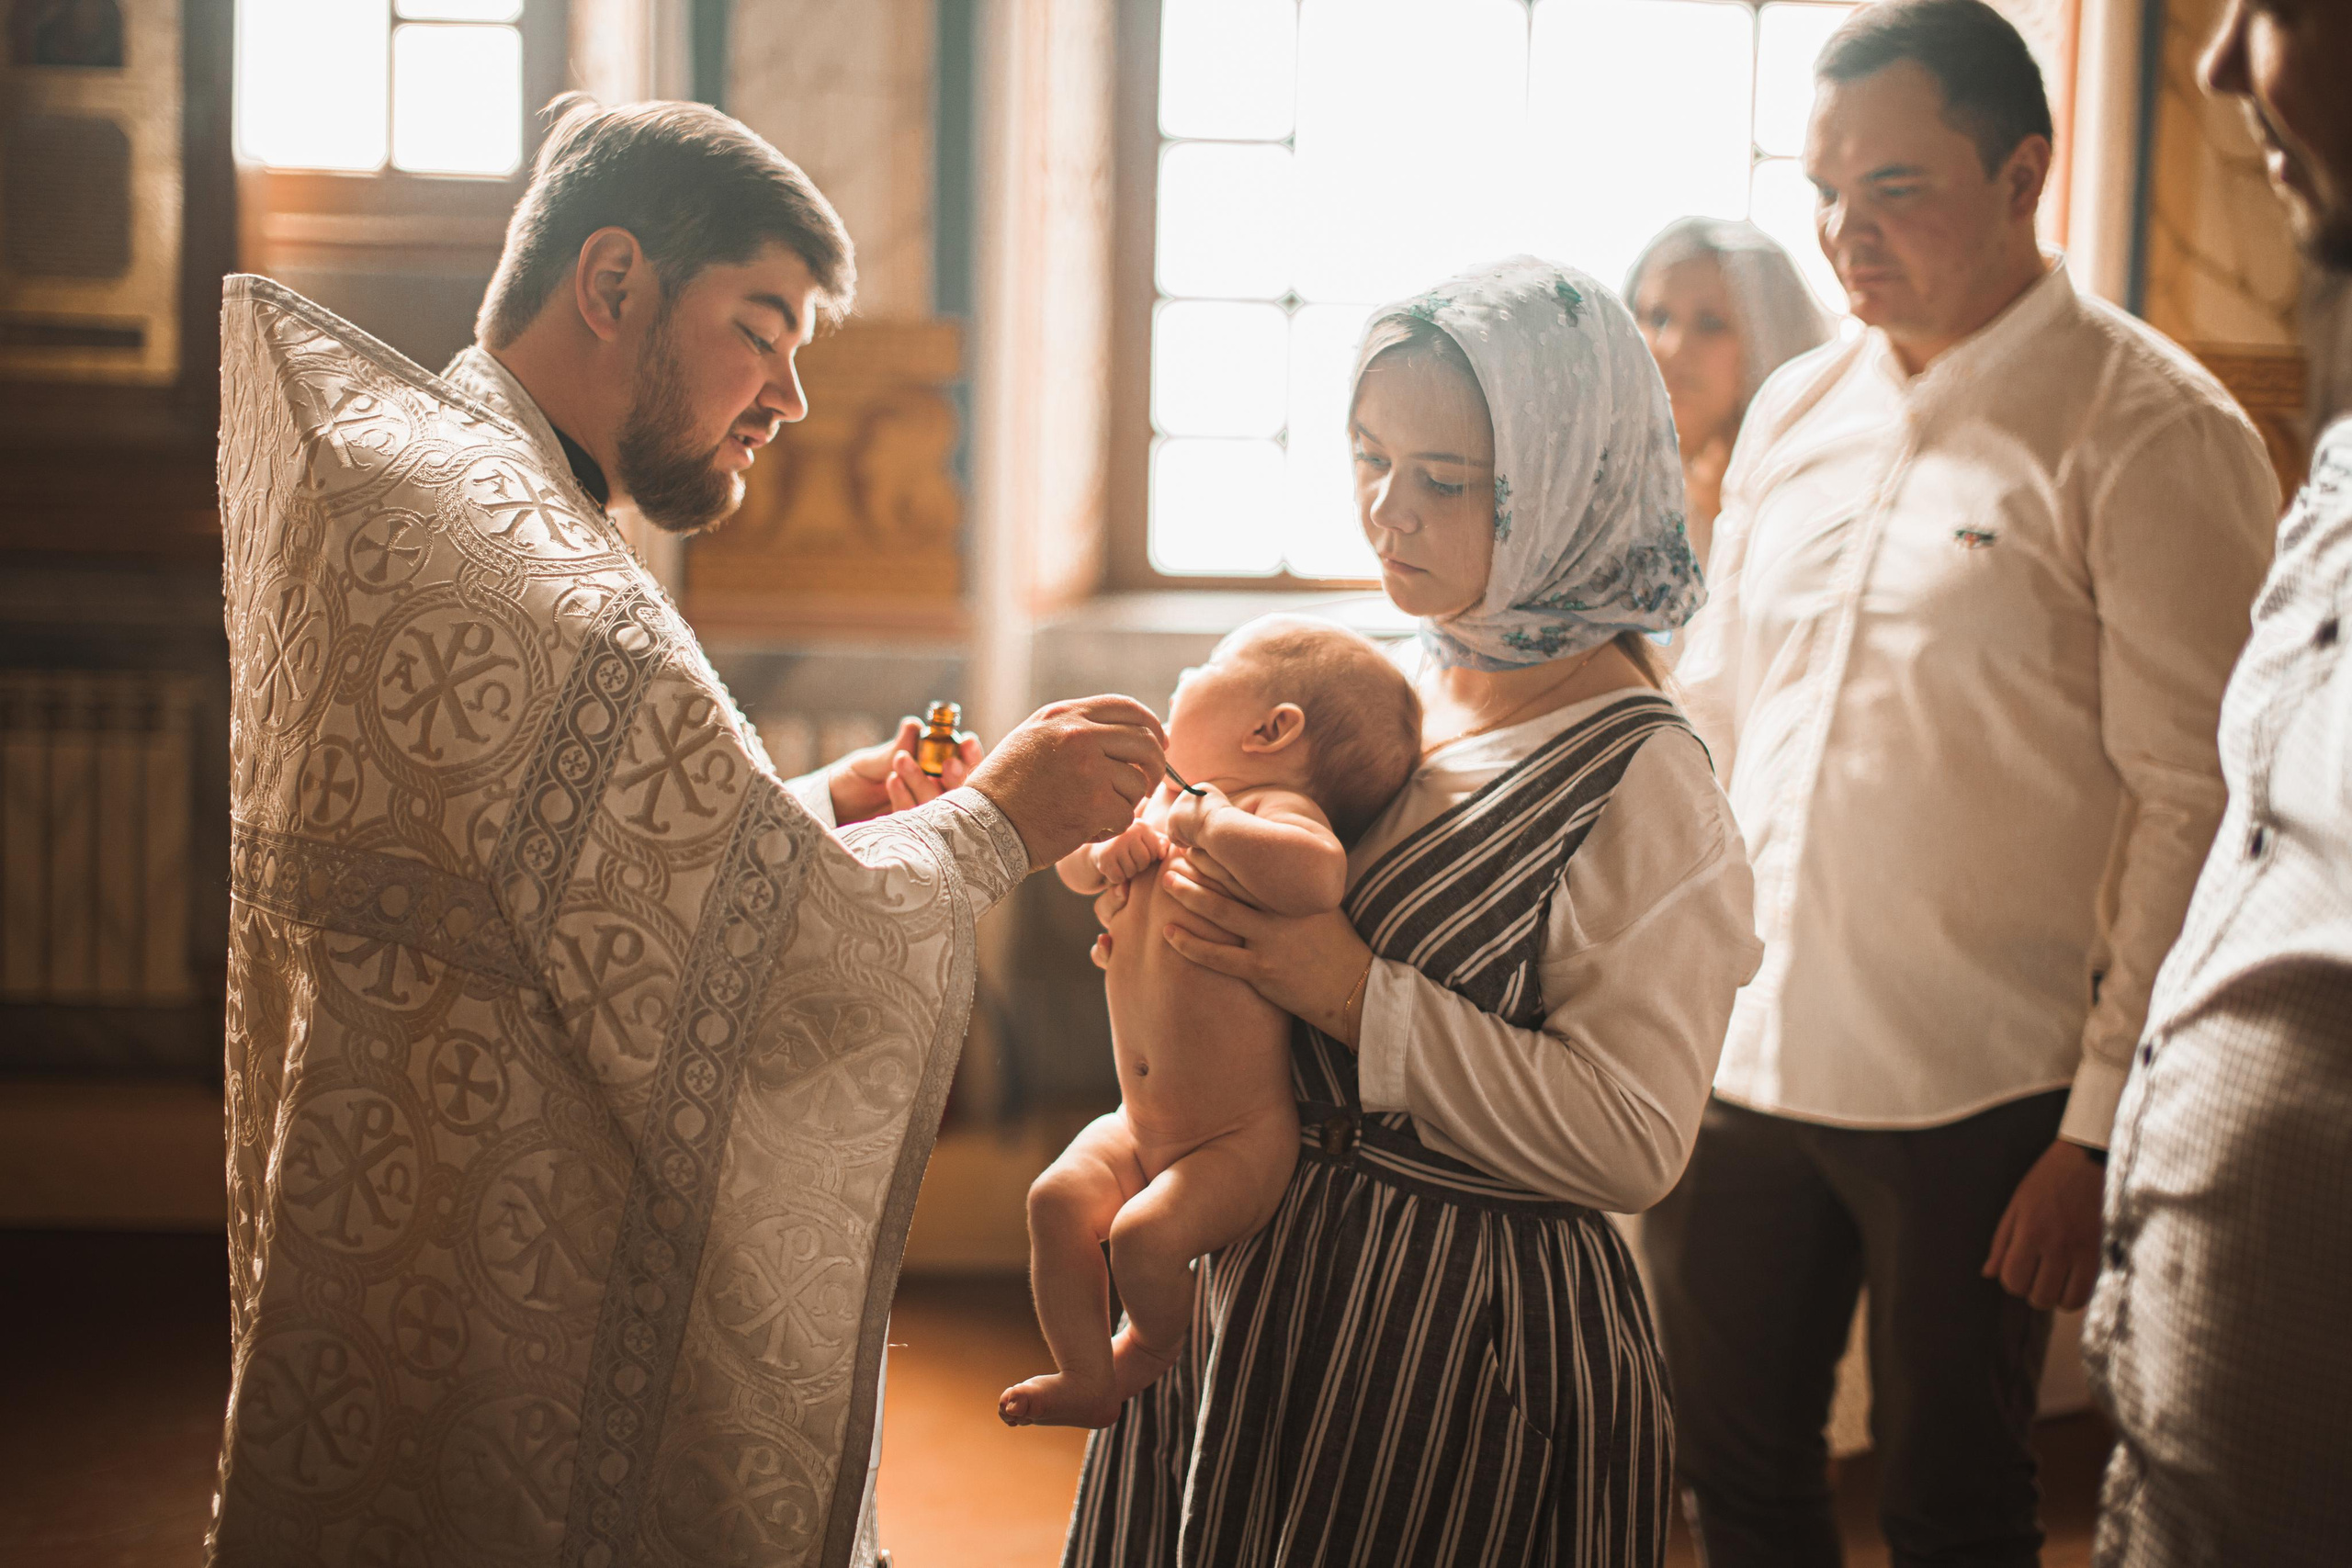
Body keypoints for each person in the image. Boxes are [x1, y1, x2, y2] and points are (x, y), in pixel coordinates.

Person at [209, 96, 1166, 1568]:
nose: (790, 397)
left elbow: (551, 881)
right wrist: (999, 820)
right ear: (612, 282)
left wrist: (815, 805)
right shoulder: (540, 570)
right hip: (504, 1292)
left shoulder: (446, 490)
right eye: (761, 331)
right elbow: (763, 955)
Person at [1654, 3, 2280, 1564]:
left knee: (1952, 1502)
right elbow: (1712, 717)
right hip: (1743, 1054)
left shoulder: (2150, 427)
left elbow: (2198, 800)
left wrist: (2097, 1124)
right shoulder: (1797, 408)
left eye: (1895, 188)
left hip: (1986, 1099)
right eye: (1825, 192)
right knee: (1732, 1466)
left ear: (2021, 175)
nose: (1845, 235)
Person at [1062, 255, 1762, 1567]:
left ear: (1566, 486)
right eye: (1369, 457)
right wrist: (1162, 922)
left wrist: (1345, 990)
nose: (1389, 511)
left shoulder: (1646, 783)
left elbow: (1634, 1139)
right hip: (1261, 1289)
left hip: (1452, 1341)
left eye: (1444, 479)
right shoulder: (1393, 677)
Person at [2085, 5, 2352, 1563]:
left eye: (2292, 7)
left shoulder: (2156, 419)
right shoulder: (2337, 459)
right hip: (2205, 1456)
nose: (2219, 61)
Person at [1001, 615, 1420, 1430]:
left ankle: (1151, 1346)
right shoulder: (1158, 803)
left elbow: (1319, 877)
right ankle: (1085, 1373)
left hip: (1238, 1138)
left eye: (1214, 662)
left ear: (1273, 728)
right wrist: (1105, 856)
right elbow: (1074, 865)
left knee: (1143, 1237)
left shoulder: (1270, 808)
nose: (1189, 674)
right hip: (1136, 1121)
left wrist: (1210, 824)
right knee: (1055, 1200)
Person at [1624, 217, 1834, 562]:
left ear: (1768, 337)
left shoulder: (1815, 488)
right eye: (1658, 318)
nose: (1673, 348)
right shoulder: (1609, 488)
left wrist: (1727, 519)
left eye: (1711, 324)